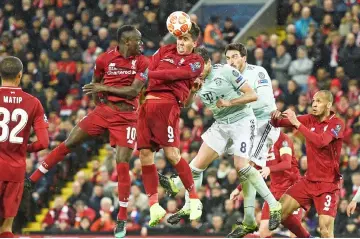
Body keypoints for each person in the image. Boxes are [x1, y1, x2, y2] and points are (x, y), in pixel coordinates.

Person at [26, 25, 148, 238]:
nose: (141, 44)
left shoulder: (143, 62)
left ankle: (121, 217)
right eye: (138, 40)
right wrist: (99, 102)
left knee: (122, 163)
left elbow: (133, 91)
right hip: (104, 111)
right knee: (69, 142)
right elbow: (95, 85)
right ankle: (33, 178)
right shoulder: (104, 59)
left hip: (127, 117)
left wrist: (105, 89)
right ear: (126, 41)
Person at [159, 47, 281, 232]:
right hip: (221, 124)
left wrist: (229, 102)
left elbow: (253, 95)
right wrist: (192, 91)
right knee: (195, 167)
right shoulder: (194, 77)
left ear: (208, 62)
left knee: (242, 167)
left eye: (200, 66)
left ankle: (274, 206)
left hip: (242, 121)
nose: (197, 70)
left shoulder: (226, 71)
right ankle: (188, 206)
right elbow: (186, 104)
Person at [136, 22, 204, 227]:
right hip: (147, 104)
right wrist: (149, 75)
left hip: (168, 105)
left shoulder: (196, 62)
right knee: (144, 155)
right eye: (179, 38)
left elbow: (175, 75)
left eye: (185, 39)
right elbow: (149, 66)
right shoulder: (165, 49)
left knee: (171, 154)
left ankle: (194, 198)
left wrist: (152, 75)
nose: (181, 43)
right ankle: (154, 205)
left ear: (194, 41)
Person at [224, 42, 282, 235]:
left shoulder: (258, 72)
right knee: (243, 170)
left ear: (244, 58)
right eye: (227, 58)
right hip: (246, 126)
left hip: (266, 123)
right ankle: (249, 220)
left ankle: (274, 206)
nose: (230, 61)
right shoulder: (227, 77)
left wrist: (235, 104)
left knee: (248, 167)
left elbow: (264, 101)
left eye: (234, 57)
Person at [271, 90, 344, 238]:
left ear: (329, 104)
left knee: (325, 230)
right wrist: (275, 116)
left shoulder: (337, 123)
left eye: (319, 101)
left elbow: (321, 142)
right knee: (278, 214)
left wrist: (297, 123)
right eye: (313, 101)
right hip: (308, 181)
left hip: (328, 185)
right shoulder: (310, 119)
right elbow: (279, 123)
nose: (314, 104)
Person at [0, 56, 49, 237]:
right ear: (19, 76)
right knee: (6, 229)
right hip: (16, 171)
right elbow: (44, 142)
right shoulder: (33, 103)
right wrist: (25, 147)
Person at [228, 132, 310, 238]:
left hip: (292, 191)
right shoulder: (262, 144)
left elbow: (287, 163)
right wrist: (238, 189)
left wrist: (269, 169)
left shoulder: (284, 139)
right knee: (263, 232)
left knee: (294, 234)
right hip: (274, 192)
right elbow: (254, 170)